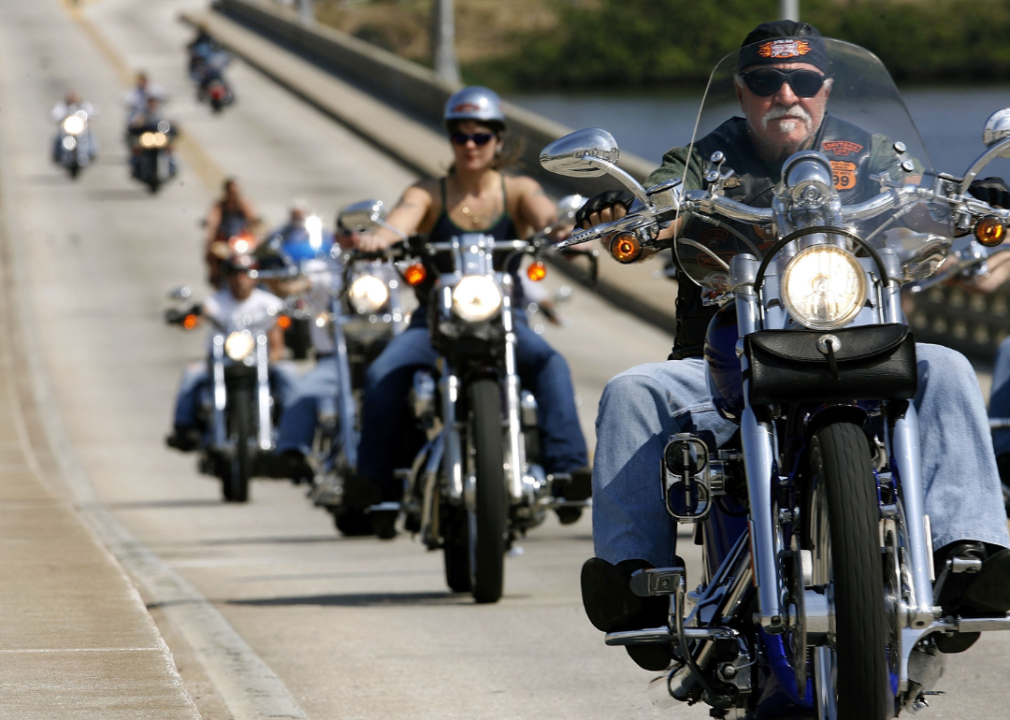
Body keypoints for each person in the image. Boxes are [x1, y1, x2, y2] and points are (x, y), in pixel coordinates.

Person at [576, 20, 1010, 662]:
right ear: (742, 91)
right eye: (767, 81)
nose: (786, 94)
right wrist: (629, 210)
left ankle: (969, 554)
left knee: (945, 369)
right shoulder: (705, 158)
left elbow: (921, 195)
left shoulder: (871, 153)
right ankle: (636, 586)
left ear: (825, 89)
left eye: (802, 80)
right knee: (632, 390)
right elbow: (662, 202)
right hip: (721, 364)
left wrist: (968, 201)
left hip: (859, 350)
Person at [348, 86, 592, 537]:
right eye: (460, 136)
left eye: (481, 135)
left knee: (550, 363)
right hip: (434, 320)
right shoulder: (430, 191)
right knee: (383, 371)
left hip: (505, 318)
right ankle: (376, 482)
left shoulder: (517, 189)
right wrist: (377, 239)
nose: (471, 145)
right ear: (450, 141)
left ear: (498, 139)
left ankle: (570, 472)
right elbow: (402, 216)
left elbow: (546, 216)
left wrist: (566, 231)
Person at [166, 253, 297, 450]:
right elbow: (199, 317)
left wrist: (273, 359)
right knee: (192, 372)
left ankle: (293, 427)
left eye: (246, 274)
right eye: (235, 274)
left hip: (259, 361)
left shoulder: (269, 305)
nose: (240, 280)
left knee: (289, 373)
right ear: (227, 278)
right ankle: (184, 428)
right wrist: (187, 316)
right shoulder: (216, 302)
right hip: (220, 361)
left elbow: (277, 343)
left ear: (255, 276)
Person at [205, 178, 259, 286]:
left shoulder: (243, 204)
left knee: (259, 254)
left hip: (241, 240)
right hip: (224, 240)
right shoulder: (220, 205)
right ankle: (216, 276)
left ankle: (257, 278)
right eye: (231, 192)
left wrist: (256, 234)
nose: (234, 194)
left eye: (236, 192)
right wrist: (209, 237)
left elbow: (253, 220)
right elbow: (213, 222)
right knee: (211, 255)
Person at [50, 91, 98, 163]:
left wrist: (88, 118)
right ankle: (57, 155)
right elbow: (55, 114)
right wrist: (60, 117)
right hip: (66, 130)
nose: (73, 99)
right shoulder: (62, 106)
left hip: (81, 129)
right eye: (71, 97)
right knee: (58, 137)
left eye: (74, 97)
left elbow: (92, 113)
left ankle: (92, 153)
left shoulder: (84, 106)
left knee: (90, 136)